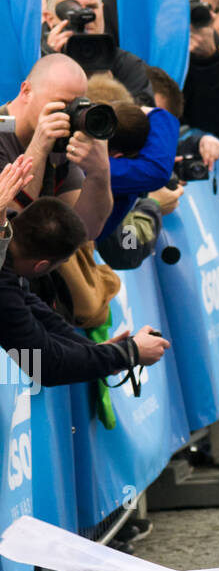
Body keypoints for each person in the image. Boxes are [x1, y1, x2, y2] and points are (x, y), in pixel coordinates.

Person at [0, 197, 169, 386]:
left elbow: (34, 310)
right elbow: (44, 364)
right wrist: (129, 353)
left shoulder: (7, 234)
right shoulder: (2, 283)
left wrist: (99, 351)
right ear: (41, 266)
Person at [0, 54, 113, 243]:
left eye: (78, 106)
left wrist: (100, 173)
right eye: (62, 104)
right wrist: (38, 148)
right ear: (26, 91)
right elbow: (10, 226)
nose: (69, 115)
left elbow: (84, 230)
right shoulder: (3, 128)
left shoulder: (62, 140)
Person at [42, 0, 154, 105]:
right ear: (49, 18)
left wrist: (107, 89)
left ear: (102, 10)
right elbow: (12, 121)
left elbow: (143, 121)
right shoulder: (30, 62)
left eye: (91, 7)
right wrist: (49, 61)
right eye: (72, 9)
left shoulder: (127, 65)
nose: (85, 16)